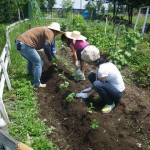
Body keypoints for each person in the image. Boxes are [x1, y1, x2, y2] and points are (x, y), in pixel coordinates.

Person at [76, 48, 125, 113]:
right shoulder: (102, 63)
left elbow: (99, 84)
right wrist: (91, 88)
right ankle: (103, 96)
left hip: (117, 93)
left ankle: (110, 103)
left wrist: (87, 95)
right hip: (111, 86)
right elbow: (97, 78)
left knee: (97, 84)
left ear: (90, 61)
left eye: (86, 61)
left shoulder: (102, 69)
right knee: (91, 75)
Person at [15, 22, 63, 88]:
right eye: (57, 33)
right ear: (56, 31)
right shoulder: (50, 32)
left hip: (19, 43)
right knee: (39, 63)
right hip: (26, 45)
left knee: (31, 60)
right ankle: (37, 83)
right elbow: (47, 47)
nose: (57, 35)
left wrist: (51, 54)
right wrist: (50, 58)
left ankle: (30, 75)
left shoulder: (45, 29)